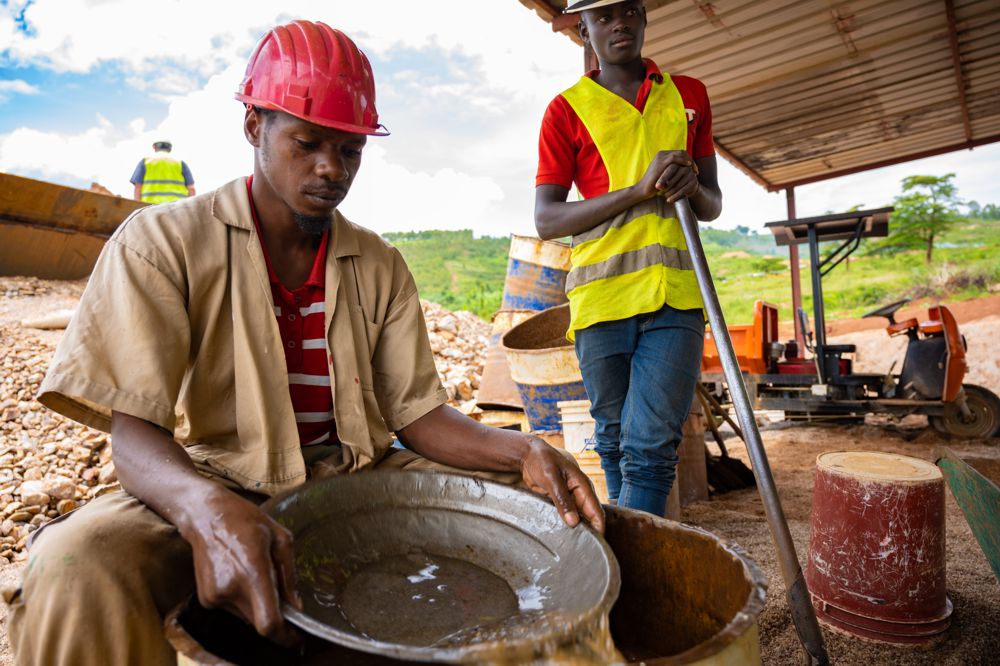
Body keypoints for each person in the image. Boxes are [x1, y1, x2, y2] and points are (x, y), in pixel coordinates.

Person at [5, 20, 602, 666]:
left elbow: (420, 418)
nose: (330, 168)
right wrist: (203, 510)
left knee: (544, 524)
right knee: (77, 563)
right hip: (215, 478)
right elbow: (135, 435)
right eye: (308, 142)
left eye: (349, 151)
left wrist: (521, 451)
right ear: (254, 127)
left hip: (356, 477)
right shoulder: (163, 244)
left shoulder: (378, 265)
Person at [533, 0, 723, 517]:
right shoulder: (567, 109)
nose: (618, 24)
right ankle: (625, 565)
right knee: (614, 441)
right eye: (602, 16)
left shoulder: (688, 96)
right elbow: (547, 220)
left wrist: (693, 186)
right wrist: (638, 191)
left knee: (649, 450)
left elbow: (712, 204)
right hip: (600, 299)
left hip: (674, 299)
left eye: (628, 12)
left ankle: (626, 580)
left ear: (642, 16)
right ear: (583, 29)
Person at [130, 139, 196, 203]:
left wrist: (137, 206)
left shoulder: (146, 161)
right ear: (170, 148)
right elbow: (191, 188)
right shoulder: (180, 162)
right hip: (177, 208)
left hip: (150, 208)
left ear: (154, 147)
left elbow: (138, 187)